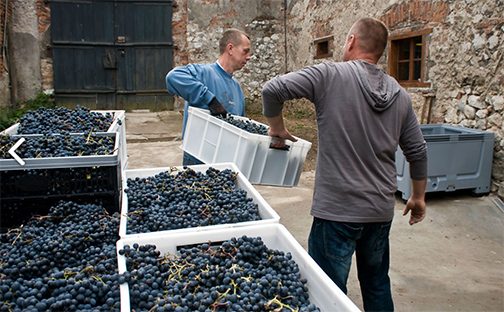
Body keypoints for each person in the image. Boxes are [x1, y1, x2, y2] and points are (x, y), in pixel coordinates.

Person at [261, 17, 427, 311]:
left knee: (327, 290)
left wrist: (276, 127)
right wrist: (418, 197)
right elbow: (417, 151)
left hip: (336, 212)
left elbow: (272, 90)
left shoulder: (329, 75)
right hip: (378, 212)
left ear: (351, 40)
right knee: (376, 283)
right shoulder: (400, 95)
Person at [166, 28, 251, 165]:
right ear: (230, 49)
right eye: (245, 51)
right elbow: (173, 77)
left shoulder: (237, 88)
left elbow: (241, 127)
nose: (248, 57)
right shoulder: (203, 73)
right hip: (197, 161)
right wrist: (210, 100)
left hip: (225, 161)